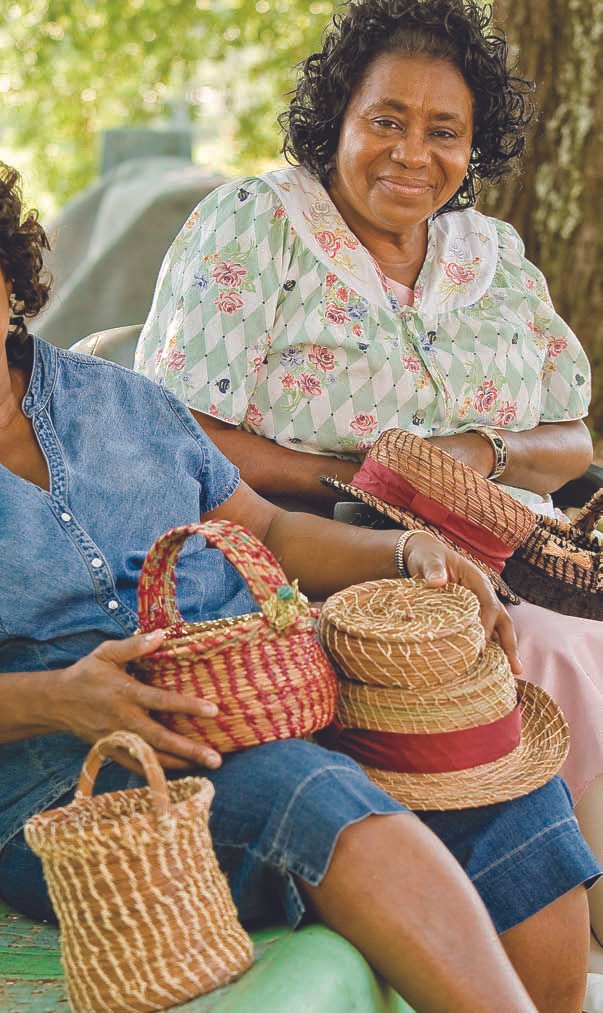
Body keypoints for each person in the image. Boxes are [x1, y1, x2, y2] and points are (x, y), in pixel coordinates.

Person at [0, 125, 596, 1013]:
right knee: (306, 790)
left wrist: (405, 548)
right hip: (78, 797)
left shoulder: (121, 398)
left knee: (490, 769)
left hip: (264, 715)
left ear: (5, 269)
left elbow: (267, 529)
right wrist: (60, 697)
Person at [134, 0, 603, 952]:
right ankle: (568, 915)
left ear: (473, 145)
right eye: (385, 120)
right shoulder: (255, 226)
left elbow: (573, 436)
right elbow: (173, 428)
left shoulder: (494, 254)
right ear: (337, 117)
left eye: (444, 132)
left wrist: (479, 455)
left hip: (517, 537)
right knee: (547, 644)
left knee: (566, 620)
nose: (411, 154)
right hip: (332, 546)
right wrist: (351, 476)